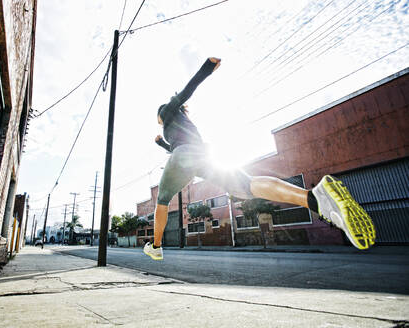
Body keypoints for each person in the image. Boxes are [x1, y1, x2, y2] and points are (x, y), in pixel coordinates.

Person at [143, 57, 376, 260]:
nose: (160, 123)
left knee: (162, 200)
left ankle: (156, 246)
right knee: (247, 187)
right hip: (202, 154)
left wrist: (206, 69)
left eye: (158, 121)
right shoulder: (183, 123)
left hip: (184, 155)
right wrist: (161, 144)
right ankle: (314, 199)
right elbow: (178, 144)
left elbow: (183, 94)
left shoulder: (166, 111)